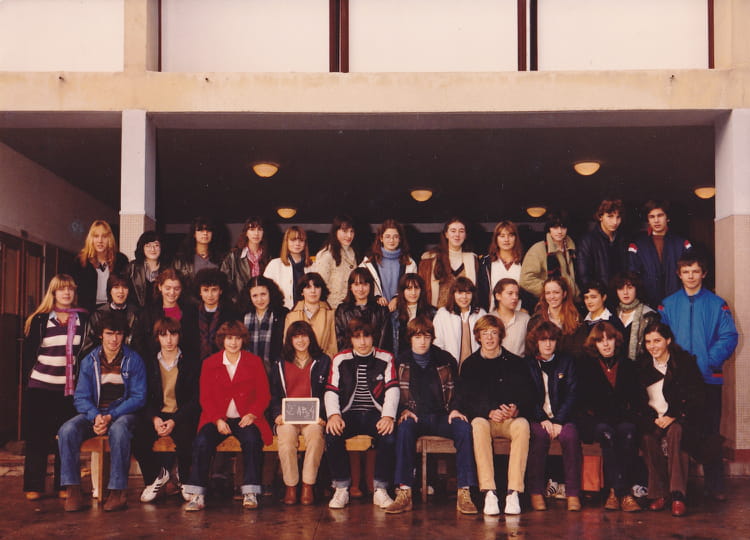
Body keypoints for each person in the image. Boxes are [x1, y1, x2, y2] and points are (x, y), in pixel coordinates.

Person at [658, 255, 738, 501]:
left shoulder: (717, 304)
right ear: (679, 274)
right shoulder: (668, 305)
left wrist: (709, 360)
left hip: (708, 378)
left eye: (695, 271)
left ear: (704, 274)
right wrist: (676, 367)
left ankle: (715, 486)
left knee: (710, 432)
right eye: (686, 271)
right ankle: (681, 487)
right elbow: (661, 339)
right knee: (681, 430)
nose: (690, 276)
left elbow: (729, 336)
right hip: (678, 381)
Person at [385, 316, 478, 514]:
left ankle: (464, 491)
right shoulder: (400, 361)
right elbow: (392, 392)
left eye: (426, 337)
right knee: (404, 428)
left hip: (443, 415)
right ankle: (404, 491)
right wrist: (402, 410)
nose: (422, 342)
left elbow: (459, 390)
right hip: (415, 416)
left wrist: (455, 408)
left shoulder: (445, 359)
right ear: (410, 338)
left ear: (432, 338)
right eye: (417, 337)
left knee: (464, 428)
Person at [57, 312, 146, 512]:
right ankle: (73, 490)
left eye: (118, 334)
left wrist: (110, 416)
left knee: (119, 430)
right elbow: (81, 397)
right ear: (100, 335)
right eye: (109, 334)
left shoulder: (133, 360)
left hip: (122, 414)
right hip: (96, 414)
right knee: (67, 430)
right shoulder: (90, 360)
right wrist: (96, 416)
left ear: (124, 336)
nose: (114, 339)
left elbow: (138, 397)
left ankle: (117, 491)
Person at [183, 321, 272, 511]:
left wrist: (252, 414)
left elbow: (264, 395)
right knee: (202, 442)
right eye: (229, 338)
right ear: (222, 340)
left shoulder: (254, 362)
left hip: (244, 418)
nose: (233, 343)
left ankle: (250, 492)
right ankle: (197, 494)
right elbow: (205, 397)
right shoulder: (210, 363)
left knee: (252, 440)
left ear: (243, 340)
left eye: (237, 338)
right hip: (217, 418)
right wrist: (217, 419)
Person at [451, 315, 531, 516]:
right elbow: (464, 400)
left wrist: (516, 408)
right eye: (484, 333)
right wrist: (487, 411)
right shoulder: (470, 364)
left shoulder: (515, 363)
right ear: (478, 336)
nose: (489, 338)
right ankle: (489, 492)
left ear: (500, 335)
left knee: (523, 425)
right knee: (477, 425)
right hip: (485, 419)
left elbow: (528, 395)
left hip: (509, 420)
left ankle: (513, 492)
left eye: (494, 333)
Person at [21, 274, 88, 501]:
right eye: (61, 289)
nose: (66, 293)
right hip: (40, 387)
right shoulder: (39, 320)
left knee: (66, 439)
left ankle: (64, 484)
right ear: (53, 293)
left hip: (69, 391)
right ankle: (34, 485)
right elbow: (28, 356)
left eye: (70, 289)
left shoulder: (82, 320)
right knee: (37, 438)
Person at [324, 318, 399, 510]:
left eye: (367, 336)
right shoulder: (340, 359)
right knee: (332, 434)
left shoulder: (386, 358)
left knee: (389, 436)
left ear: (374, 337)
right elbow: (331, 391)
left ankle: (380, 489)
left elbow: (392, 389)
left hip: (376, 414)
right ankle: (341, 488)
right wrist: (334, 415)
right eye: (357, 337)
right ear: (350, 339)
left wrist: (388, 416)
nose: (363, 342)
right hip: (349, 414)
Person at [636, 322, 707, 517]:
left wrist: (674, 415)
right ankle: (659, 493)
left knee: (677, 433)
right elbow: (636, 400)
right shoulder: (641, 365)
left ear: (668, 340)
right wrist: (652, 419)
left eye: (657, 341)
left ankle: (677, 495)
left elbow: (697, 396)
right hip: (653, 418)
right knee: (647, 438)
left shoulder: (683, 362)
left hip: (678, 417)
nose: (652, 346)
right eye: (648, 342)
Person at [577, 321, 643, 512]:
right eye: (600, 341)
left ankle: (615, 492)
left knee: (628, 433)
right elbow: (582, 403)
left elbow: (637, 400)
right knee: (607, 434)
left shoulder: (628, 365)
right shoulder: (586, 366)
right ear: (594, 344)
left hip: (622, 418)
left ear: (616, 340)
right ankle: (624, 493)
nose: (605, 344)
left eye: (609, 339)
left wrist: (627, 416)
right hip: (596, 421)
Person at [132, 317, 200, 503]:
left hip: (181, 414)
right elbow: (143, 397)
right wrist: (154, 419)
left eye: (173, 334)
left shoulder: (191, 362)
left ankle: (184, 479)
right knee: (137, 437)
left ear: (179, 336)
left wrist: (175, 420)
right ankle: (155, 477)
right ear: (157, 338)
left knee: (187, 437)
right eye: (163, 335)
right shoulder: (148, 362)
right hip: (157, 414)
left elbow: (195, 399)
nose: (169, 340)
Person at [269, 321, 330, 506]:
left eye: (304, 336)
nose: (301, 340)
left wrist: (323, 415)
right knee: (286, 440)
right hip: (287, 417)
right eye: (296, 337)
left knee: (316, 437)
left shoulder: (323, 361)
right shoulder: (280, 362)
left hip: (313, 417)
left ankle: (307, 485)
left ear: (310, 338)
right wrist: (277, 414)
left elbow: (329, 392)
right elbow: (274, 394)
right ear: (290, 340)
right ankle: (291, 486)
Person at [525, 321, 582, 512]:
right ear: (536, 342)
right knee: (539, 437)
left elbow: (573, 394)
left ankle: (573, 493)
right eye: (543, 340)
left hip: (563, 417)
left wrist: (558, 421)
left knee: (570, 436)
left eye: (551, 340)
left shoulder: (567, 362)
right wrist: (542, 418)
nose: (548, 344)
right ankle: (535, 492)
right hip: (538, 418)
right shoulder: (528, 363)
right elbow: (527, 397)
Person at [628, 200, 693, 308]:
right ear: (648, 220)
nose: (656, 220)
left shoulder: (682, 244)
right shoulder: (637, 245)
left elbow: (691, 274)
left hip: (677, 303)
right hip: (648, 305)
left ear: (667, 218)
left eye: (660, 215)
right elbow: (633, 276)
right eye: (652, 217)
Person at [69, 220, 129, 313]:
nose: (100, 240)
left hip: (114, 310)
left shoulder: (121, 260)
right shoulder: (80, 262)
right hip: (87, 312)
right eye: (96, 236)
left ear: (110, 239)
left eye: (104, 236)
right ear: (91, 239)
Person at [137, 269, 198, 361]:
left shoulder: (190, 312)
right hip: (154, 363)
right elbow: (140, 341)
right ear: (160, 287)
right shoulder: (148, 313)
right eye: (168, 288)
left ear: (181, 289)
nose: (172, 293)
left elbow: (193, 343)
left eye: (176, 289)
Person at [520, 211, 580, 304]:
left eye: (563, 227)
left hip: (572, 303)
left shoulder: (572, 248)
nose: (559, 231)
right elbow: (526, 280)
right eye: (555, 227)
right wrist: (551, 291)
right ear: (549, 228)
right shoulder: (538, 249)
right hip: (549, 304)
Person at [419, 217, 479, 308]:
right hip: (437, 312)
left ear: (465, 235)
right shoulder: (429, 259)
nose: (457, 235)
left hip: (463, 312)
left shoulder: (472, 260)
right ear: (446, 234)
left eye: (461, 231)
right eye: (453, 231)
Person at [360, 219, 418, 312]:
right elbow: (360, 284)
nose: (391, 240)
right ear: (381, 238)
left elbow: (413, 288)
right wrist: (376, 297)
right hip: (376, 311)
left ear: (400, 239)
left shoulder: (410, 263)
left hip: (402, 311)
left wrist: (397, 298)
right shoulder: (368, 262)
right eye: (387, 237)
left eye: (395, 237)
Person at [182, 268, 239, 362]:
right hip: (194, 363)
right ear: (200, 292)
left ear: (221, 291)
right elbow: (186, 343)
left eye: (214, 290)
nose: (210, 295)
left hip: (223, 362)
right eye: (205, 290)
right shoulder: (190, 313)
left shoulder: (231, 313)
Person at [81, 274, 141, 358]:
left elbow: (140, 346)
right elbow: (88, 345)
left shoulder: (136, 314)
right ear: (110, 290)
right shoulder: (98, 314)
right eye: (116, 287)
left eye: (124, 287)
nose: (121, 291)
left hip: (130, 360)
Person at [432, 276, 486, 370]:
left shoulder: (481, 314)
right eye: (460, 293)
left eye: (468, 293)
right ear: (453, 294)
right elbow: (437, 344)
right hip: (450, 368)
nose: (464, 297)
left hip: (476, 368)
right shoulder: (443, 314)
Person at [334, 267, 392, 352]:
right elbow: (340, 339)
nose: (360, 289)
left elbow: (385, 339)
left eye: (365, 284)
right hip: (350, 356)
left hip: (377, 356)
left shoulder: (380, 309)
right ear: (350, 287)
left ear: (370, 286)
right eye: (356, 284)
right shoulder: (342, 310)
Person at [243, 275, 289, 379]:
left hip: (275, 373)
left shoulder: (282, 314)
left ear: (270, 293)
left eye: (263, 294)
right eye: (255, 296)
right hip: (247, 373)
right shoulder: (243, 315)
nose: (259, 299)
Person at [576, 199, 628, 290]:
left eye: (618, 217)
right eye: (610, 216)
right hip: (599, 295)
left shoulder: (622, 239)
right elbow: (584, 276)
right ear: (600, 217)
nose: (615, 222)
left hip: (620, 293)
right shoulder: (587, 240)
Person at [284, 272, 338, 359]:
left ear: (322, 290)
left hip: (323, 364)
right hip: (297, 364)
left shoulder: (331, 315)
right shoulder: (291, 316)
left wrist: (323, 362)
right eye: (308, 287)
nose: (313, 291)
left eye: (317, 287)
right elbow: (287, 346)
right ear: (302, 292)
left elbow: (333, 347)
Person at [528, 277, 586, 357]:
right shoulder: (535, 321)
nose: (552, 296)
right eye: (548, 293)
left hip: (570, 364)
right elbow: (531, 350)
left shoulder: (576, 320)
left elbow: (579, 352)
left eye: (556, 292)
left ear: (564, 294)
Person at [221, 216, 270, 307]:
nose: (256, 233)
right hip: (240, 306)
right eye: (252, 229)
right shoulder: (233, 257)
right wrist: (238, 302)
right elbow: (224, 284)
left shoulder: (269, 257)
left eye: (259, 229)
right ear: (246, 232)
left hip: (264, 305)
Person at [312, 215, 358, 310]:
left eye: (352, 231)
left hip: (350, 308)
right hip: (331, 309)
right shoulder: (326, 255)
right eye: (345, 231)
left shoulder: (352, 252)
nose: (349, 236)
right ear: (335, 231)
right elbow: (319, 286)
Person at [173, 217, 224, 302]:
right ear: (194, 234)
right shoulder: (181, 259)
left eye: (208, 230)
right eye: (200, 230)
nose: (205, 233)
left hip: (214, 305)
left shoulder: (221, 259)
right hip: (188, 304)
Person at [611, 271, 659, 361]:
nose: (625, 292)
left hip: (642, 365)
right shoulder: (613, 314)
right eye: (621, 288)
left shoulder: (649, 315)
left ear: (637, 289)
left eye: (630, 288)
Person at [478, 220, 523, 311]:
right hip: (492, 313)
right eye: (502, 236)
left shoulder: (524, 261)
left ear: (516, 238)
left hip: (518, 313)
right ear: (496, 239)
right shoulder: (486, 262)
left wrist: (525, 308)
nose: (506, 239)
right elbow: (481, 292)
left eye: (510, 235)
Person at [264, 226, 313, 310]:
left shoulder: (313, 266)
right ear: (286, 242)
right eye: (293, 240)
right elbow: (265, 291)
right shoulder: (274, 265)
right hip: (282, 312)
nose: (297, 243)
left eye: (301, 240)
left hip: (308, 312)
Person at [393, 273, 436, 358]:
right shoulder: (394, 316)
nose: (413, 292)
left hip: (426, 360)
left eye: (416, 288)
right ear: (402, 291)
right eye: (409, 288)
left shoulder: (432, 313)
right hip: (401, 361)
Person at [489, 278, 529, 357]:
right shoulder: (488, 319)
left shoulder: (525, 319)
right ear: (498, 296)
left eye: (517, 294)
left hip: (519, 363)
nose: (515, 297)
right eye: (510, 293)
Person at [127, 230, 167, 308]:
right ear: (142, 248)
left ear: (161, 247)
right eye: (148, 245)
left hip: (162, 311)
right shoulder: (132, 267)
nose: (152, 249)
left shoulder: (168, 268)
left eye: (156, 245)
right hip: (137, 312)